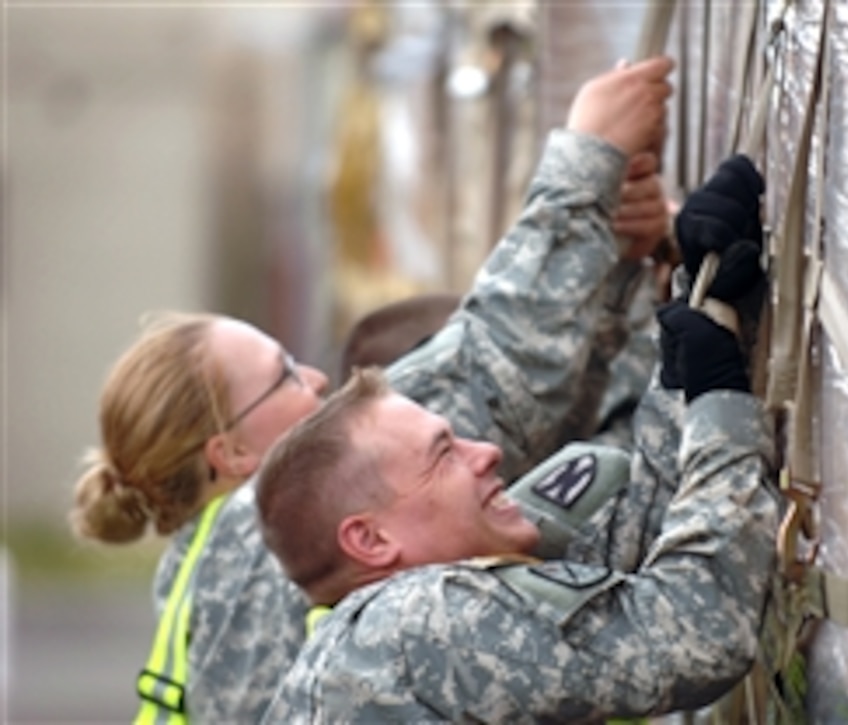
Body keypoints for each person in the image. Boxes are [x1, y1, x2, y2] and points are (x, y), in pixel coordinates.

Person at [68, 56, 675, 724]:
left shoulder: (198, 581)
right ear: (229, 453)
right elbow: (495, 378)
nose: (318, 379)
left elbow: (538, 429)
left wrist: (615, 266)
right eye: (284, 376)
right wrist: (586, 162)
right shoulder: (260, 536)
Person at [255, 155, 779, 722]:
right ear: (371, 540)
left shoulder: (380, 643)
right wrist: (718, 401)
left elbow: (626, 553)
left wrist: (697, 311)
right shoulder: (417, 624)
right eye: (443, 456)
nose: (489, 454)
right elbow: (693, 632)